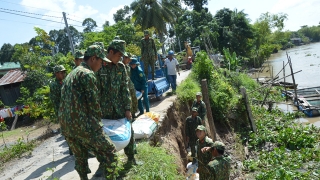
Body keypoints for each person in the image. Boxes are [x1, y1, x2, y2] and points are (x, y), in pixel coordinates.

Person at [58, 44, 118, 180]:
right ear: (93, 59)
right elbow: (94, 105)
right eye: (101, 62)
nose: (102, 65)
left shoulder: (71, 74)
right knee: (110, 152)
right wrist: (99, 128)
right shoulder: (88, 74)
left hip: (67, 126)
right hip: (83, 124)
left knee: (80, 156)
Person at [122, 53, 138, 164]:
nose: (128, 60)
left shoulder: (126, 67)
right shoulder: (118, 67)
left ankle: (131, 157)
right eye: (127, 58)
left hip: (128, 102)